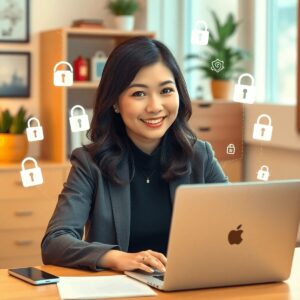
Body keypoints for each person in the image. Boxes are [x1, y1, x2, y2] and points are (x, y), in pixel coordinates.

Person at [41, 36, 228, 274]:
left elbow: (233, 224)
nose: (155, 106)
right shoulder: (89, 163)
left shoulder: (199, 156)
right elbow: (55, 242)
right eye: (139, 94)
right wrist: (116, 258)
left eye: (166, 91)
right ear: (115, 103)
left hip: (187, 287)